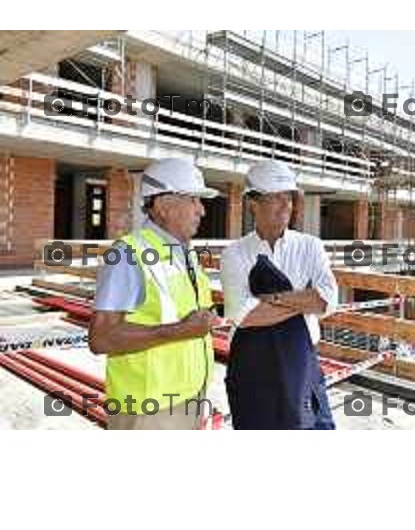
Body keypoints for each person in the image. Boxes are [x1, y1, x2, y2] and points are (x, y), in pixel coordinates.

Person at [90, 157, 220, 430]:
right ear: (162, 206)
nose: (202, 211)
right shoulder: (127, 254)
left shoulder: (185, 253)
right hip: (149, 410)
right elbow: (101, 338)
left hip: (190, 397)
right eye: (194, 200)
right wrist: (179, 330)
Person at [220, 159, 338, 430]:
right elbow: (244, 315)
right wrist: (303, 300)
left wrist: (272, 298)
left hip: (302, 364)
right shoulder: (234, 253)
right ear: (253, 202)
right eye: (275, 197)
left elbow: (327, 300)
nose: (286, 204)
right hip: (253, 369)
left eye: (289, 196)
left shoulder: (310, 247)